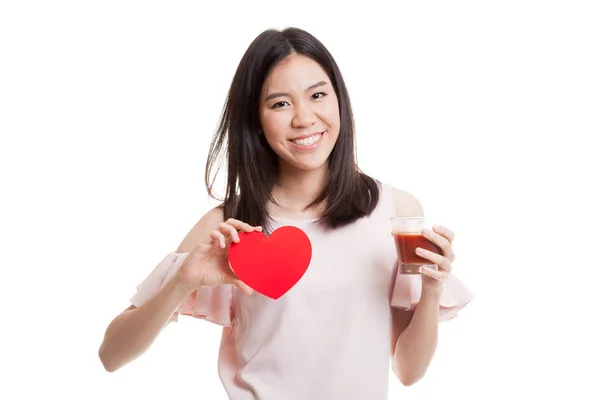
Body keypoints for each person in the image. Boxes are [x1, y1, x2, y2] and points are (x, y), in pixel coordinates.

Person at [98, 27, 474, 399]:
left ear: (339, 100)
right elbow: (112, 355)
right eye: (280, 103)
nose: (304, 118)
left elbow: (409, 371)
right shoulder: (229, 227)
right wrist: (182, 282)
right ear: (256, 122)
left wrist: (431, 290)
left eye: (318, 95)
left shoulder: (394, 212)